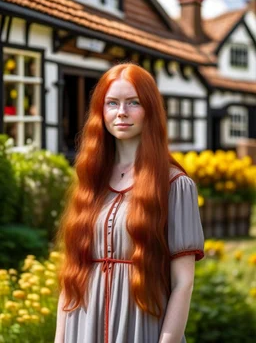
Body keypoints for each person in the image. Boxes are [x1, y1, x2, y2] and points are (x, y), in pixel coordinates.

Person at [54, 63, 204, 343]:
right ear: (101, 112)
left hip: (141, 327)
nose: (121, 112)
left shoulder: (174, 186)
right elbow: (73, 275)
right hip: (82, 328)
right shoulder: (90, 181)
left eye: (133, 102)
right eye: (112, 103)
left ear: (150, 110)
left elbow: (183, 283)